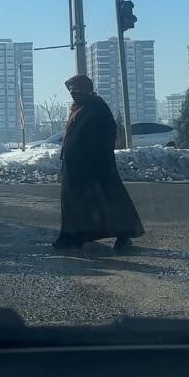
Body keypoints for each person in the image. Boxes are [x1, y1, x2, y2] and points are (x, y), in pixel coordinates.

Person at [54, 74, 145, 250]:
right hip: (75, 167)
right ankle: (74, 237)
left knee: (107, 200)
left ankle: (124, 234)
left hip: (94, 165)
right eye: (71, 90)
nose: (73, 93)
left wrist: (90, 155)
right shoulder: (79, 107)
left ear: (86, 90)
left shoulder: (97, 108)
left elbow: (106, 135)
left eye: (77, 89)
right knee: (77, 203)